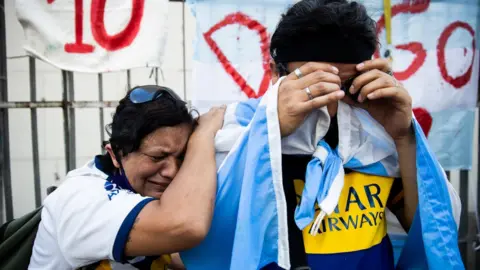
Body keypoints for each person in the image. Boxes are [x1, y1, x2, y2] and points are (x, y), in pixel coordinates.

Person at [263, 0, 460, 269]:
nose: (331, 103)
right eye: (314, 86)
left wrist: (403, 138)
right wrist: (269, 137)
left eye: (346, 86)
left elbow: (428, 233)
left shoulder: (375, 139)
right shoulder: (239, 141)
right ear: (276, 74)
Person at [28, 85, 226, 269]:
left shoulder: (131, 188)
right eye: (158, 157)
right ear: (115, 154)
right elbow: (187, 226)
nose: (172, 172)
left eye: (183, 156)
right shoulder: (83, 200)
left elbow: (167, 253)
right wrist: (203, 136)